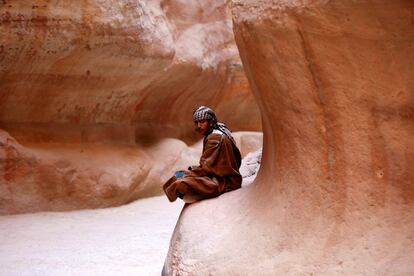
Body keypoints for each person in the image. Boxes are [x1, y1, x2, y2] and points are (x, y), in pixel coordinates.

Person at [163, 106, 242, 203]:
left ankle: (195, 194)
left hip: (225, 181)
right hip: (224, 176)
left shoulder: (214, 137)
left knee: (180, 181)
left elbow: (205, 168)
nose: (198, 126)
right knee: (180, 175)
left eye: (202, 122)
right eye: (196, 123)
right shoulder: (220, 128)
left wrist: (188, 173)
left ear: (211, 122)